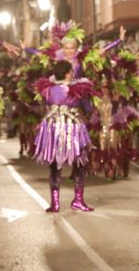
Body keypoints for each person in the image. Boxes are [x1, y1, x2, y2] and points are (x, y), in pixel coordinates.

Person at [33, 60, 95, 212]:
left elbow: (44, 106)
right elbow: (88, 108)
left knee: (54, 166)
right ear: (68, 73)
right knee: (80, 164)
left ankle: (55, 203)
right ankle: (78, 200)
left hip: (52, 129)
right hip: (73, 129)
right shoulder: (78, 89)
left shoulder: (47, 90)